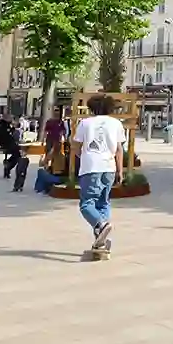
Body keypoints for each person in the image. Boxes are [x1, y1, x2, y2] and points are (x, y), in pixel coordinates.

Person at [73, 95, 126, 250]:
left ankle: (102, 225)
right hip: (109, 167)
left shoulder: (85, 123)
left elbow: (76, 145)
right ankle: (101, 240)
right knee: (103, 203)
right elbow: (119, 149)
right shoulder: (116, 123)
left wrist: (82, 155)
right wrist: (120, 171)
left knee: (87, 204)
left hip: (91, 167)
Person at [0, 114, 22, 178]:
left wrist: (13, 128)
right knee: (17, 154)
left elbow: (11, 133)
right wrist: (12, 129)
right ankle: (8, 165)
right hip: (6, 144)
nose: (11, 120)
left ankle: (8, 164)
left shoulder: (6, 125)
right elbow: (7, 135)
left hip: (8, 143)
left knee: (18, 154)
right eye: (10, 119)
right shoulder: (3, 126)